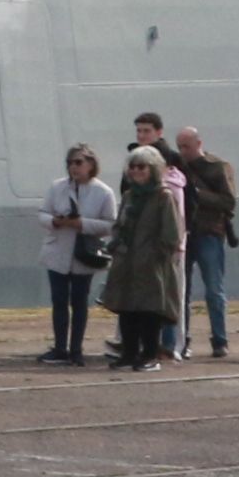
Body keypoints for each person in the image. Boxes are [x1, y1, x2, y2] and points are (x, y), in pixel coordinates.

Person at [101, 124, 187, 367]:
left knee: (150, 312)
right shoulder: (129, 196)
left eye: (142, 167)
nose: (136, 171)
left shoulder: (163, 196)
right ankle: (128, 354)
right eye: (133, 167)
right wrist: (116, 246)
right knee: (127, 309)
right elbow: (119, 224)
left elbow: (172, 233)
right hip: (128, 262)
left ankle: (150, 355)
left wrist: (157, 255)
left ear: (154, 169)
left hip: (152, 264)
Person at [173, 123, 239, 360]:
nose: (183, 151)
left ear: (199, 144)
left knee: (214, 289)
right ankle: (183, 341)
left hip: (209, 233)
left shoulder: (218, 168)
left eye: (187, 146)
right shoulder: (178, 168)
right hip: (185, 234)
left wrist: (197, 194)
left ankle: (220, 340)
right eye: (180, 147)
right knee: (182, 291)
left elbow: (228, 201)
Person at [40, 144, 108, 365]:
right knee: (59, 300)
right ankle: (60, 348)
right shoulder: (56, 187)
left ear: (91, 164)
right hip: (58, 251)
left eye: (78, 162)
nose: (73, 167)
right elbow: (42, 213)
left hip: (83, 254)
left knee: (79, 302)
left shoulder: (102, 192)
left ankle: (76, 349)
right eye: (70, 163)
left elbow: (110, 225)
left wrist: (82, 224)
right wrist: (54, 221)